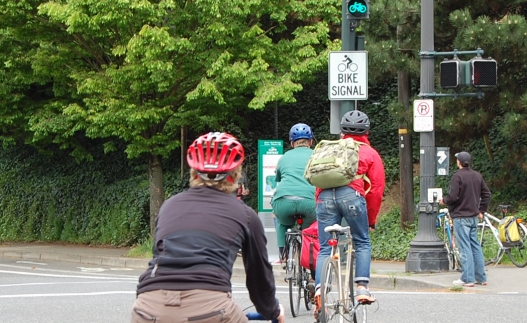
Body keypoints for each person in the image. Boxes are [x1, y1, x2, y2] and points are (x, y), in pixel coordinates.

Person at [131, 132, 285, 323]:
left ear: (194, 173)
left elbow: (160, 256)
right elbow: (259, 280)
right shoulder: (245, 215)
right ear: (235, 174)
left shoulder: (169, 205)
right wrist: (273, 312)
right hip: (210, 310)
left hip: (148, 308)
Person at [313, 110, 385, 305]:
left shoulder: (331, 149)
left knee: (325, 248)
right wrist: (370, 219)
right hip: (351, 196)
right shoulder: (369, 153)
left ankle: (320, 289)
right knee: (362, 241)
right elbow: (376, 189)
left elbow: (319, 180)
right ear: (367, 132)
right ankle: (362, 288)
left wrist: (320, 204)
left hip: (325, 197)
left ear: (342, 131)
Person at [439, 151, 491, 287]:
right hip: (474, 217)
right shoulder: (477, 176)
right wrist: (481, 210)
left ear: (459, 162)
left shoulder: (457, 177)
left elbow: (453, 197)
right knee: (475, 246)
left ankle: (467, 278)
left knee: (464, 247)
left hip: (461, 217)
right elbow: (486, 194)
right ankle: (481, 277)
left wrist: (444, 200)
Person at [271, 123, 318, 263]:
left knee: (281, 221)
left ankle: (283, 256)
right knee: (312, 228)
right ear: (311, 141)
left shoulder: (284, 157)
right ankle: (311, 259)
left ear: (292, 143)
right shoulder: (316, 155)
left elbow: (278, 179)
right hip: (309, 201)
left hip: (284, 201)